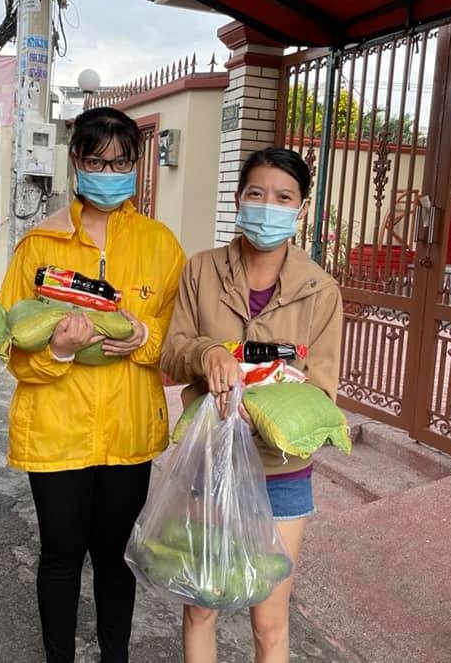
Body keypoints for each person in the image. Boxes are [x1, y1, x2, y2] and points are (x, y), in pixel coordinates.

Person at [0, 106, 187, 663]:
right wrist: (56, 351)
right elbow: (12, 345)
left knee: (113, 556)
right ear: (76, 162)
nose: (111, 171)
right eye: (97, 160)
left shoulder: (160, 245)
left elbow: (177, 337)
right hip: (55, 432)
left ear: (138, 163)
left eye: (123, 160)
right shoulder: (39, 246)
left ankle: (114, 658)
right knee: (60, 553)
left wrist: (144, 338)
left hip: (128, 433)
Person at [160, 146, 343, 663]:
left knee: (269, 620)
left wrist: (262, 407)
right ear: (238, 200)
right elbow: (174, 350)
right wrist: (208, 351)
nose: (269, 206)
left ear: (301, 209)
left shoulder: (320, 291)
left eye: (284, 197)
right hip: (210, 458)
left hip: (282, 472)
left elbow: (322, 391)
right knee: (202, 604)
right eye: (257, 194)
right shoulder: (202, 271)